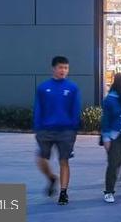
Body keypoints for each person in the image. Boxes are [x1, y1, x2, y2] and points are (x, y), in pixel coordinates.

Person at [34, 55, 80, 206]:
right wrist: (38, 128)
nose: (63, 70)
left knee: (64, 161)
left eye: (66, 68)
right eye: (60, 67)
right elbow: (38, 108)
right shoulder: (43, 87)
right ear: (53, 68)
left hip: (66, 131)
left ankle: (63, 192)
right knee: (41, 159)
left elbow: (75, 109)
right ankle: (51, 178)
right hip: (45, 130)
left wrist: (74, 129)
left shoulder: (72, 88)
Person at [100, 73, 121, 204]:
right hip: (114, 135)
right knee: (113, 163)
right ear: (120, 83)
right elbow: (105, 120)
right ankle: (109, 191)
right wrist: (106, 138)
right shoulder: (110, 99)